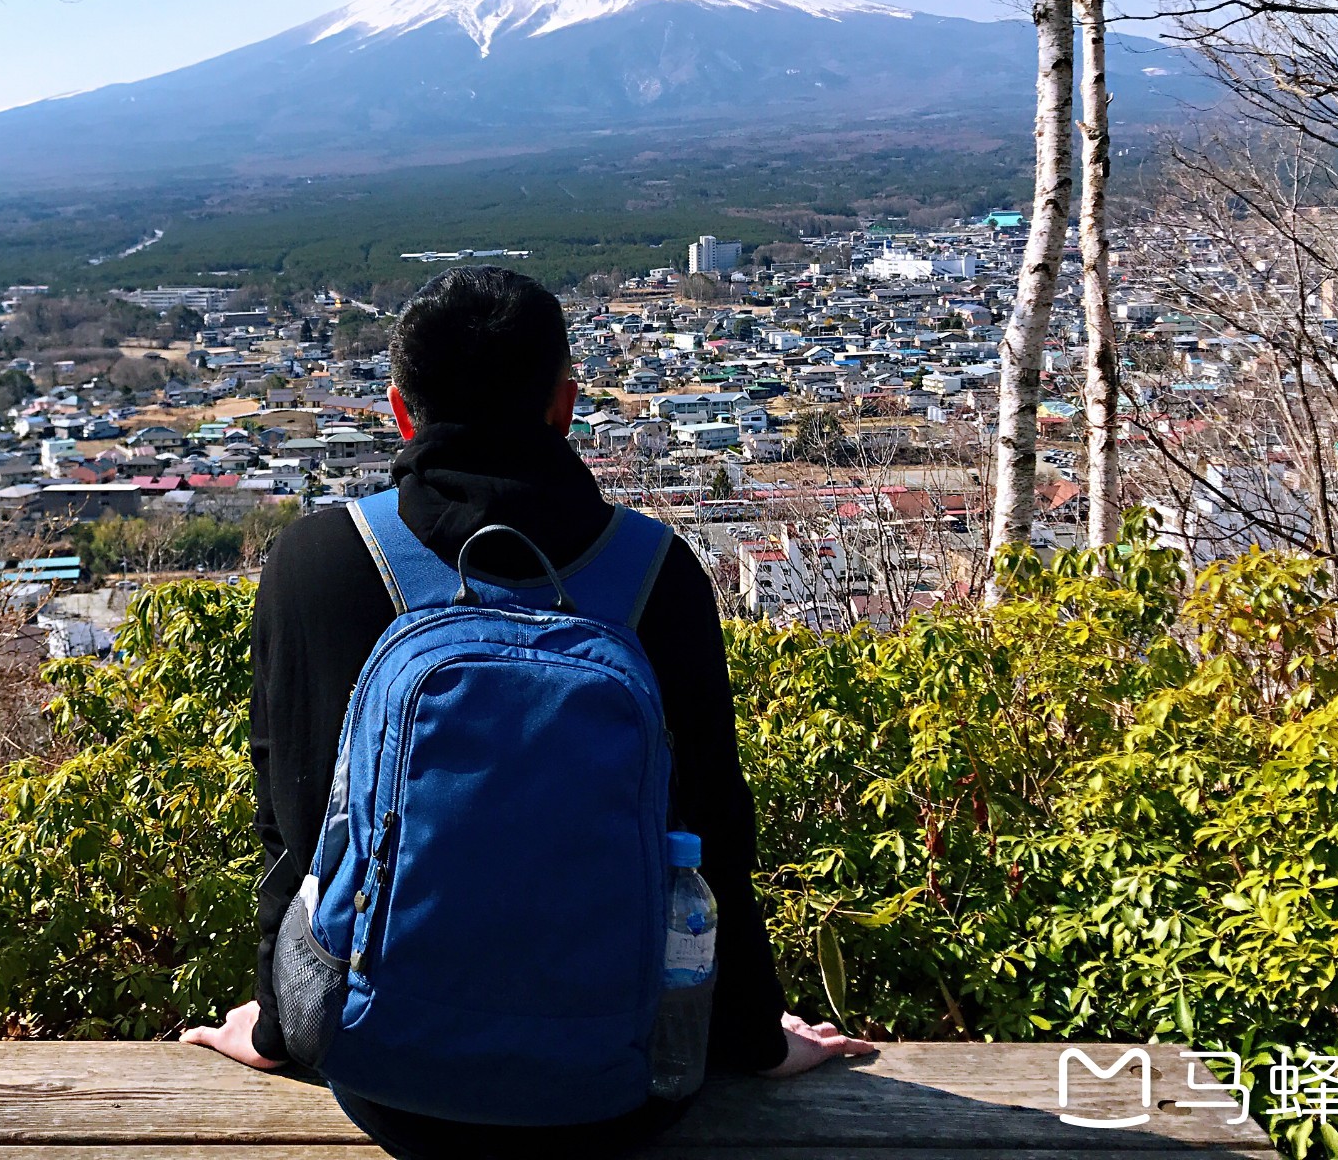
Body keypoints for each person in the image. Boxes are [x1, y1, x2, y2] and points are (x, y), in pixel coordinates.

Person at [183, 267, 871, 1157]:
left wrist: (280, 1028)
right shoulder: (657, 576)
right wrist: (754, 1038)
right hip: (623, 1090)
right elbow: (712, 840)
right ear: (565, 407)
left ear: (401, 412)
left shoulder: (321, 560)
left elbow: (296, 829)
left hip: (388, 1080)